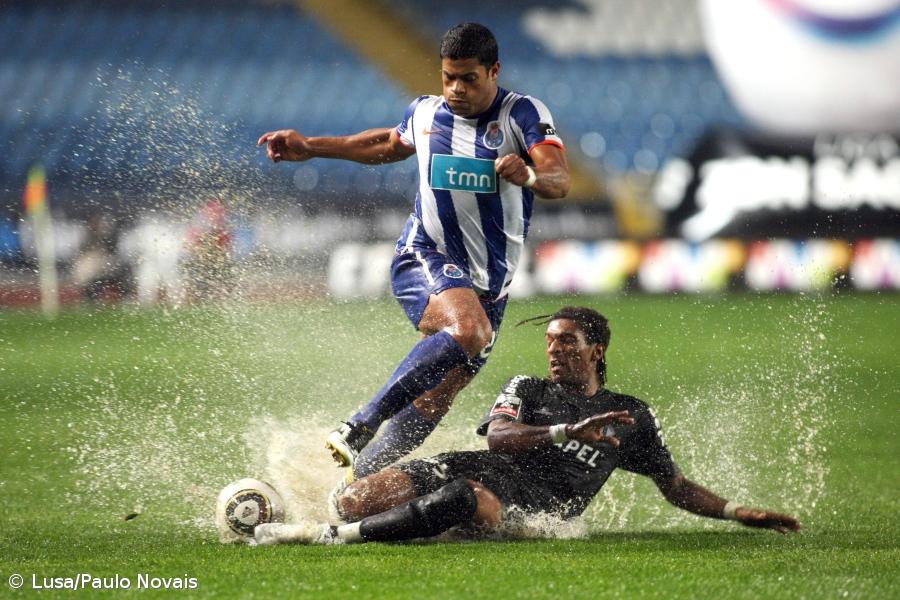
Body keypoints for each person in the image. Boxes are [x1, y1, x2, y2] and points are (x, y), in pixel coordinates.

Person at [258, 23, 571, 479]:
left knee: (435, 397)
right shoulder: (427, 113)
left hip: (491, 286)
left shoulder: (521, 115)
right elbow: (387, 144)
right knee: (468, 329)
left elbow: (559, 180)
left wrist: (529, 177)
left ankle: (356, 483)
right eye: (449, 78)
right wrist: (312, 147)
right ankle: (360, 424)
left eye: (469, 78)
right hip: (424, 254)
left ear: (494, 71)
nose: (456, 89)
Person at [254, 306, 802, 546]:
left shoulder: (629, 415)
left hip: (538, 508)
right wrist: (567, 432)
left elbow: (674, 486)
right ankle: (309, 516)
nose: (555, 350)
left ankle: (329, 539)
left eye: (568, 341)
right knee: (355, 499)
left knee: (466, 499)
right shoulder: (528, 388)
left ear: (597, 349)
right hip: (485, 465)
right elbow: (498, 437)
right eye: (550, 341)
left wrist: (735, 512)